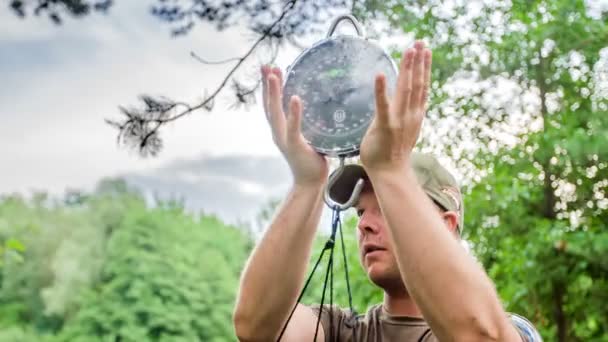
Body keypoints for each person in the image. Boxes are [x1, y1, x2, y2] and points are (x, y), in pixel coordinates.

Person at [233, 41, 541, 341]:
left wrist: (390, 170)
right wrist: (307, 183)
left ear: (446, 226)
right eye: (361, 211)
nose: (365, 224)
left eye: (385, 210)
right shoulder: (340, 331)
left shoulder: (510, 330)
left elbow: (478, 334)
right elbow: (256, 327)